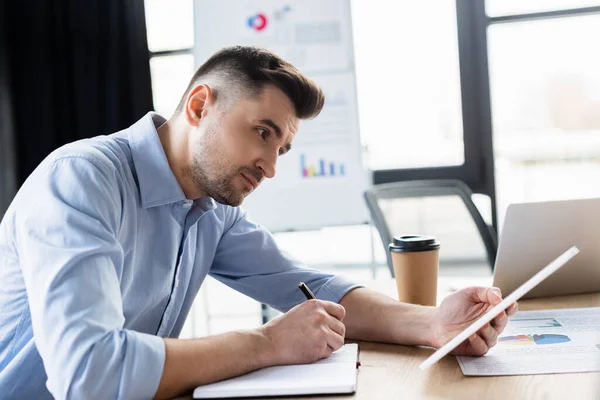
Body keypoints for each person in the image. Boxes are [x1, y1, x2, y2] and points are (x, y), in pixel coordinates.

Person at [0, 45, 517, 400]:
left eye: (282, 147)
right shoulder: (81, 181)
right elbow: (90, 375)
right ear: (200, 105)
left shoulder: (213, 209)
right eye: (262, 132)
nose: (270, 167)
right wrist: (267, 343)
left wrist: (431, 324)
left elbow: (312, 288)